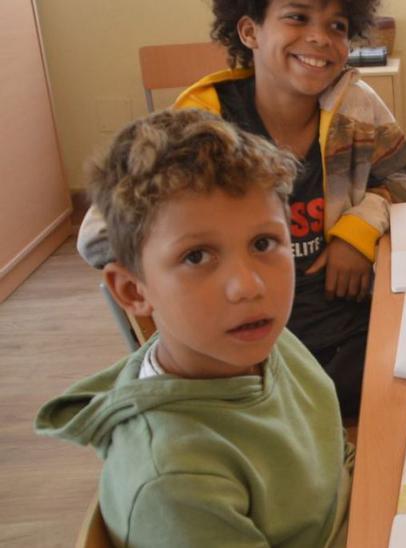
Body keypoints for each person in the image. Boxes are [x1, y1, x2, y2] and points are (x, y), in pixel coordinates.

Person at [77, 0, 406, 418]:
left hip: (352, 331)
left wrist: (358, 229)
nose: (319, 36)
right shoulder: (199, 127)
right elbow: (98, 235)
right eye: (297, 17)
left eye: (337, 25)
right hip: (240, 359)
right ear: (249, 32)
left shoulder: (357, 107)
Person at [38, 109, 352, 546]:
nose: (248, 285)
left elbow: (333, 457)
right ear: (133, 291)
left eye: (263, 244)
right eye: (197, 257)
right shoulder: (175, 484)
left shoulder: (259, 340)